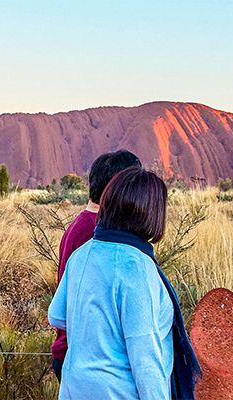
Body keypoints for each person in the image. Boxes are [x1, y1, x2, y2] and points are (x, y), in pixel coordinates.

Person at [48, 167, 201, 400]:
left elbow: (56, 316)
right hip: (117, 392)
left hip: (74, 387)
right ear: (152, 212)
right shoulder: (136, 265)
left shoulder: (82, 254)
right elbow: (146, 359)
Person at [50, 150, 141, 381]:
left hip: (78, 354)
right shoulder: (95, 233)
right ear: (117, 187)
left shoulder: (84, 225)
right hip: (86, 359)